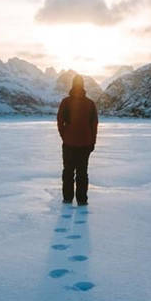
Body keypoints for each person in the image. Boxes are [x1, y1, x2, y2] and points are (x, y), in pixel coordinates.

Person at [56, 77, 99, 206]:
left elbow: (59, 121)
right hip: (85, 143)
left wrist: (65, 135)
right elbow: (94, 124)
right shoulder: (90, 103)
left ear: (72, 85)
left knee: (68, 171)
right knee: (82, 172)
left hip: (69, 144)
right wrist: (92, 141)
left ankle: (67, 198)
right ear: (83, 86)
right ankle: (82, 200)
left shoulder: (66, 102)